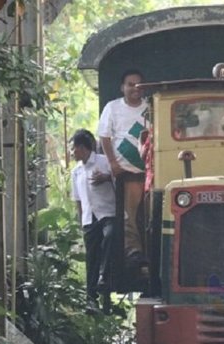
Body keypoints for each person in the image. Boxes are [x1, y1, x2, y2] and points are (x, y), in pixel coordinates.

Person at [98, 69, 149, 266]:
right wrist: (112, 163)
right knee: (129, 214)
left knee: (148, 215)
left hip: (149, 172)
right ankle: (134, 252)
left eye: (138, 84)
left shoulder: (150, 108)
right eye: (130, 84)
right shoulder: (112, 107)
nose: (135, 88)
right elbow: (104, 136)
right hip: (126, 172)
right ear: (122, 87)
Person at [70, 129, 116, 313]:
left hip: (108, 213)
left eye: (73, 148)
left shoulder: (104, 162)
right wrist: (82, 220)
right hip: (90, 218)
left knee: (110, 236)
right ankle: (91, 299)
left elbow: (119, 179)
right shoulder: (76, 172)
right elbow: (78, 200)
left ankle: (105, 278)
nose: (72, 153)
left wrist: (106, 178)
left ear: (82, 148)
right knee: (91, 257)